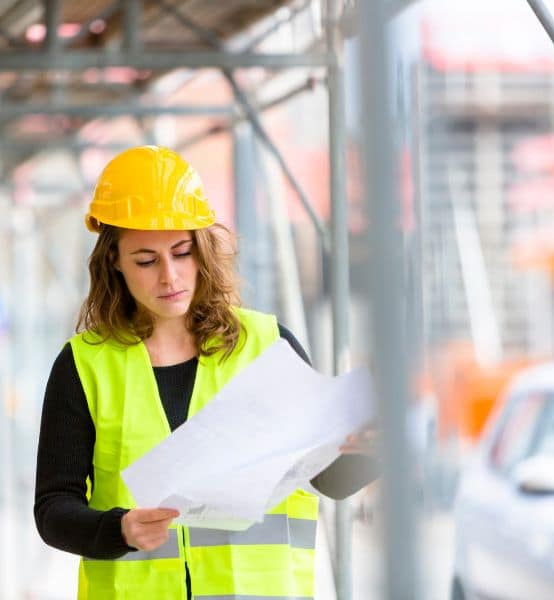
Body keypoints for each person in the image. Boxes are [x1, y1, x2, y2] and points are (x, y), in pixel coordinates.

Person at [34, 145, 378, 600]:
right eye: (146, 260)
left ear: (203, 248)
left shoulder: (266, 347)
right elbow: (53, 509)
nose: (170, 276)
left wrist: (369, 449)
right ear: (113, 259)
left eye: (182, 252)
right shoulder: (84, 366)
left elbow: (327, 478)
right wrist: (119, 529)